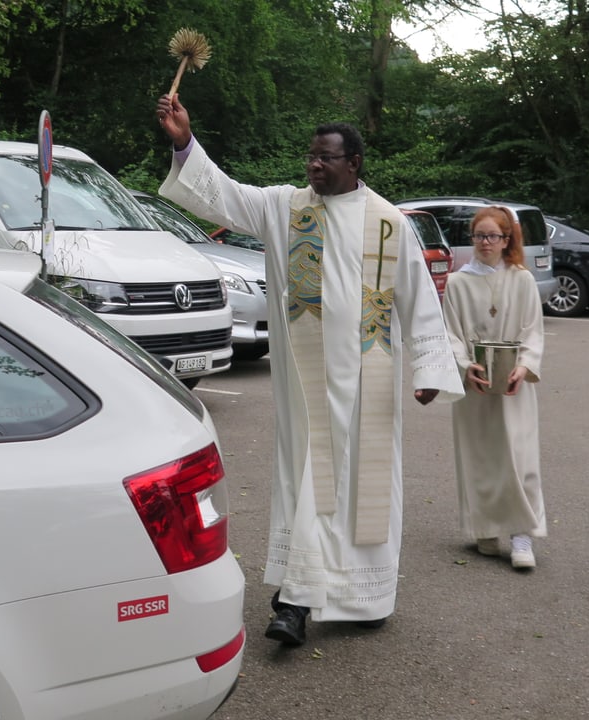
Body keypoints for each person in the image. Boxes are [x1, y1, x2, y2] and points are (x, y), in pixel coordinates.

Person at [155, 93, 465, 646]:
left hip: (368, 381)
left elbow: (419, 300)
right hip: (306, 384)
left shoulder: (389, 225)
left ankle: (362, 596)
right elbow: (224, 197)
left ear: (354, 164)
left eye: (325, 157)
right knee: (309, 483)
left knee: (365, 489)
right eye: (310, 156)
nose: (313, 165)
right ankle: (294, 601)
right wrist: (184, 141)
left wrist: (429, 369)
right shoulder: (287, 208)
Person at [440, 206, 546, 570]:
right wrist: (464, 365)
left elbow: (533, 332)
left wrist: (524, 367)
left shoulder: (522, 280)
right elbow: (450, 334)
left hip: (514, 383)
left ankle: (521, 534)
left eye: (493, 236)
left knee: (519, 457)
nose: (485, 243)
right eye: (479, 236)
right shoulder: (457, 282)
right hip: (475, 385)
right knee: (480, 457)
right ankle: (484, 530)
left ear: (506, 240)